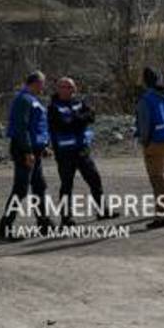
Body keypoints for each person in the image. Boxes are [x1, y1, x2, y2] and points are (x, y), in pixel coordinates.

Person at [48, 77, 116, 225]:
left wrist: (76, 119)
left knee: (94, 179)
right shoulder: (53, 107)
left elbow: (91, 116)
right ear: (58, 89)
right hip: (65, 152)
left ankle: (102, 210)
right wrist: (80, 120)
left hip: (82, 150)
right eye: (65, 87)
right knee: (67, 185)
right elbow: (62, 125)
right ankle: (66, 218)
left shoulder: (79, 102)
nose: (69, 90)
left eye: (71, 87)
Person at [0, 71, 52, 240]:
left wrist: (43, 147)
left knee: (39, 186)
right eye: (42, 83)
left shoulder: (33, 100)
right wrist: (27, 151)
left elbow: (37, 126)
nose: (44, 86)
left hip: (34, 149)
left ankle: (44, 224)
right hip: (23, 150)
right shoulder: (23, 100)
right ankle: (4, 228)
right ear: (35, 83)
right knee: (21, 189)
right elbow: (22, 128)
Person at [136, 67, 164, 229]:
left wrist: (144, 141)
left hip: (155, 143)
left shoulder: (146, 99)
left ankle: (162, 216)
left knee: (158, 180)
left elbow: (145, 124)